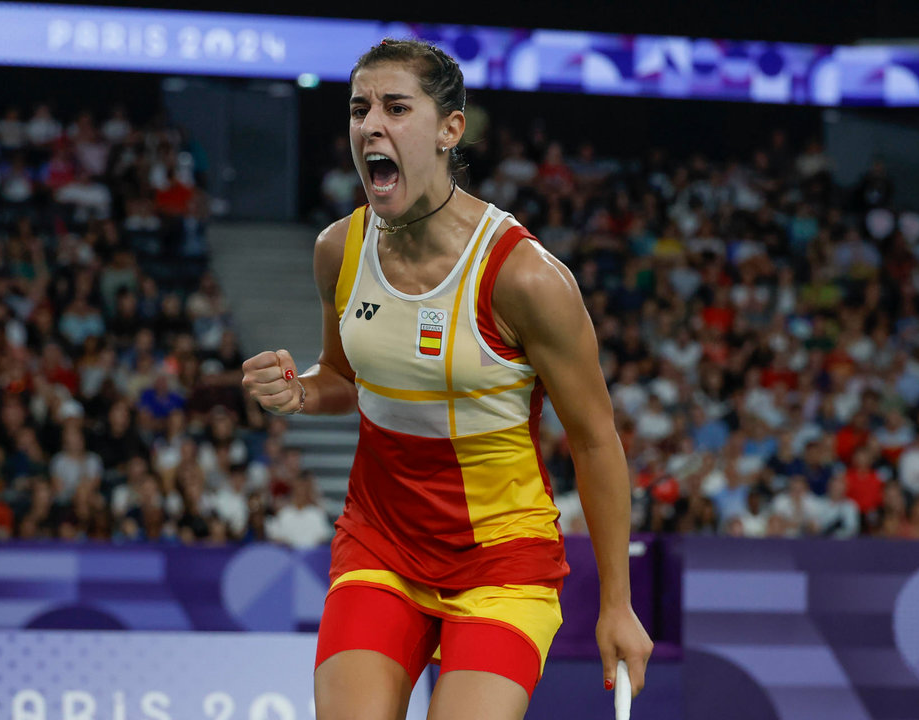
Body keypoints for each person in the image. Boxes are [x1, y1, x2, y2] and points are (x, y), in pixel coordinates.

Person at [243, 39, 652, 719]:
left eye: (396, 107)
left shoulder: (523, 278)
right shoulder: (338, 251)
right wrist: (303, 390)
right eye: (359, 108)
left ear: (448, 129)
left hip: (501, 564)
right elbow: (343, 378)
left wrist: (617, 605)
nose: (370, 124)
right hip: (380, 547)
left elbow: (594, 440)